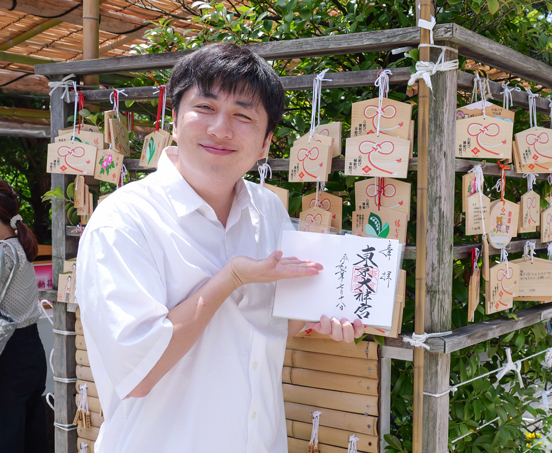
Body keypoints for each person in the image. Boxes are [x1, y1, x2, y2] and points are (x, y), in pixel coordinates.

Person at [76, 43, 365, 453]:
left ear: (265, 144)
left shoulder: (268, 210)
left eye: (243, 115)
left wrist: (321, 319)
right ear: (175, 122)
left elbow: (270, 322)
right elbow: (138, 373)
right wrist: (230, 278)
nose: (220, 129)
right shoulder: (124, 221)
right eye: (205, 108)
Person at [0, 180, 48, 453]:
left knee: (7, 435)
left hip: (8, 354)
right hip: (32, 350)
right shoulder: (21, 246)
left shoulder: (4, 252)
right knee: (31, 431)